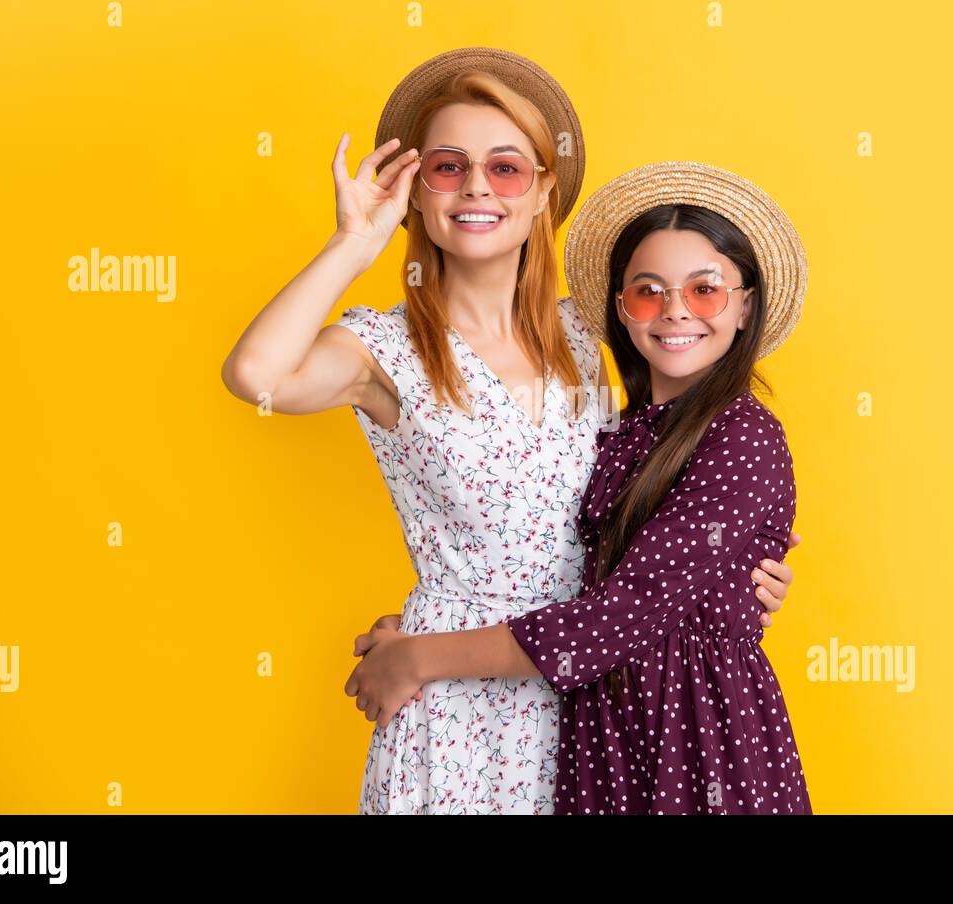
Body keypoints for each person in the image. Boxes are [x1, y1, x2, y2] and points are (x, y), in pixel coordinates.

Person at [222, 50, 797, 814]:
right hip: (455, 702)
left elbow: (661, 485)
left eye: (506, 169)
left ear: (543, 194)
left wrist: (727, 586)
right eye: (448, 168)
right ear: (417, 192)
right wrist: (353, 245)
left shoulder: (584, 335)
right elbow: (256, 377)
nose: (477, 190)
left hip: (598, 691)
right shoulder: (383, 352)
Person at [347, 160, 813, 814]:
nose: (676, 310)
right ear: (621, 311)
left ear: (745, 306)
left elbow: (613, 617)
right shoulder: (621, 432)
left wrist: (420, 658)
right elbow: (557, 556)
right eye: (649, 291)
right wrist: (441, 615)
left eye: (705, 290)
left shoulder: (742, 434)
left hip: (695, 739)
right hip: (604, 735)